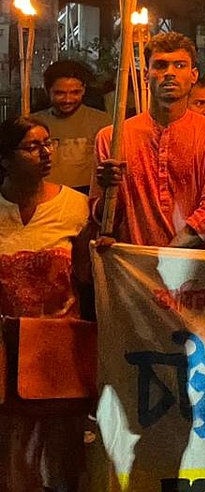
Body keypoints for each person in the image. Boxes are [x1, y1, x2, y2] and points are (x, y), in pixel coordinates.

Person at [0, 116, 91, 490]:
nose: (45, 153)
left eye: (47, 143)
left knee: (59, 455)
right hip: (5, 351)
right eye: (32, 146)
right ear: (5, 159)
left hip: (58, 352)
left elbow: (86, 278)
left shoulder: (76, 206)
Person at [90, 32, 205, 246]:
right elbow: (102, 217)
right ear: (147, 75)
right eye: (160, 66)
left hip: (193, 267)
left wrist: (165, 259)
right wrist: (107, 193)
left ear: (193, 75)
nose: (169, 73)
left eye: (179, 66)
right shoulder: (112, 137)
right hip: (133, 266)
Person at [32, 59, 110, 192]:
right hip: (45, 196)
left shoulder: (103, 123)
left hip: (88, 196)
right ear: (47, 91)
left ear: (84, 90)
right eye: (59, 93)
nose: (68, 100)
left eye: (75, 92)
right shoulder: (33, 125)